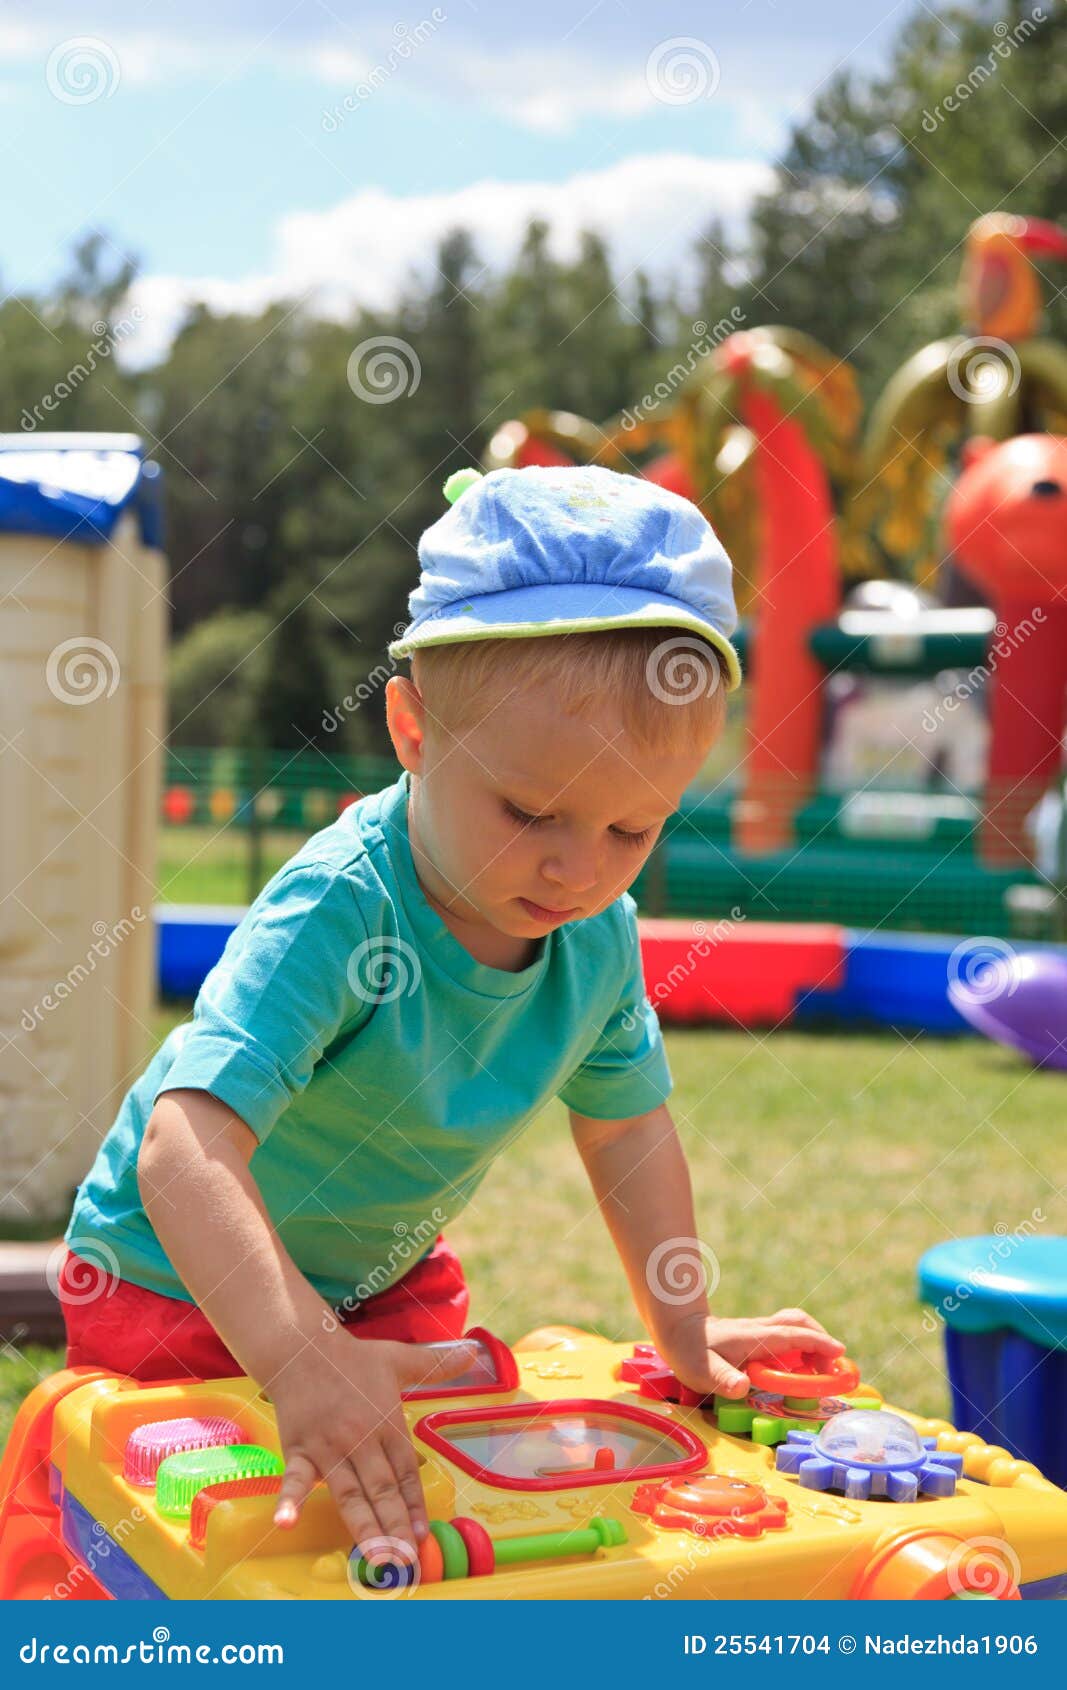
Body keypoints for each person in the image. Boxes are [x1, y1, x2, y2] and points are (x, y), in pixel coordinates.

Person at [59, 463, 844, 1560]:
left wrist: (680, 1328)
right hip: (176, 1279)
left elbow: (625, 1126)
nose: (578, 868)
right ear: (412, 730)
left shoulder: (596, 934)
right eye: (529, 810)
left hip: (378, 1281)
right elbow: (182, 1151)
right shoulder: (342, 907)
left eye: (633, 830)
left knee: (432, 1520)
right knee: (251, 1536)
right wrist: (296, 1358)